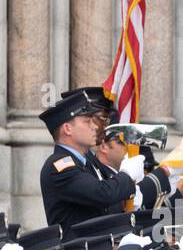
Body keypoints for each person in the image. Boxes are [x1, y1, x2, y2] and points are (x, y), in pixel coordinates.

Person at [38, 92, 147, 235]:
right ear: (67, 128)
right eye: (87, 121)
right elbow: (102, 193)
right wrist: (126, 175)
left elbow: (102, 207)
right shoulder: (59, 166)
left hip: (99, 248)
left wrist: (126, 197)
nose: (95, 126)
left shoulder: (88, 160)